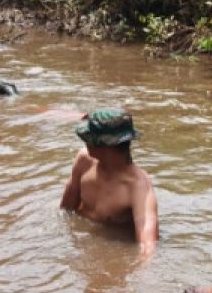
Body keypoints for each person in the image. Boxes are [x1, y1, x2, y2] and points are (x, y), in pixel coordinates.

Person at [60, 109, 158, 260]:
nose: (85, 142)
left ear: (105, 146)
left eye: (90, 137)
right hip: (83, 250)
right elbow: (64, 211)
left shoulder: (138, 187)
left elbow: (148, 246)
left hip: (113, 255)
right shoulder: (83, 161)